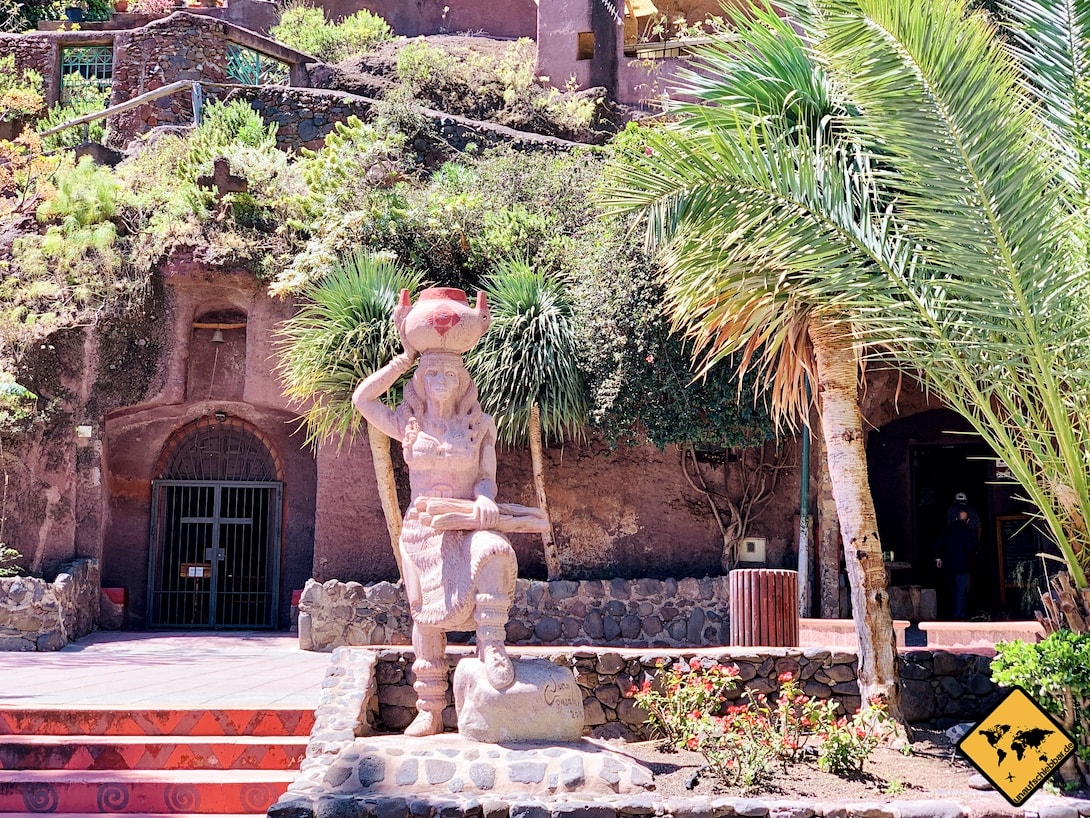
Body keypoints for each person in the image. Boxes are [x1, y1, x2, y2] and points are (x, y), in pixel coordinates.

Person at [352, 299, 517, 738]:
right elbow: (362, 398)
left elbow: (486, 479)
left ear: (463, 380)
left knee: (495, 552)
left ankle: (493, 651)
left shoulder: (480, 426)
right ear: (421, 382)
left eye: (449, 374)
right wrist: (405, 358)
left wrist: (484, 499)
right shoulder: (407, 425)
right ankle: (430, 708)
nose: (441, 381)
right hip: (422, 531)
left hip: (466, 523)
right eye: (432, 375)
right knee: (424, 616)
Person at [934, 508, 977, 619]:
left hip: (948, 565)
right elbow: (971, 548)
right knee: (961, 591)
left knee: (952, 590)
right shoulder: (968, 531)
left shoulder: (947, 530)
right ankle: (958, 615)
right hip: (962, 566)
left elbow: (937, 544)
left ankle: (950, 612)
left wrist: (938, 559)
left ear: (956, 518)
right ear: (967, 520)